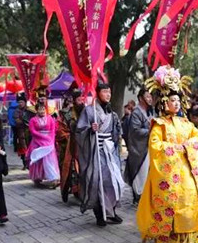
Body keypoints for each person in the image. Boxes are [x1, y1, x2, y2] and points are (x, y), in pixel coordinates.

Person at [137, 66, 198, 243]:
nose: (175, 104)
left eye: (177, 100)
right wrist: (176, 149)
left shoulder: (186, 123)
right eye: (172, 100)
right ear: (164, 102)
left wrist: (189, 146)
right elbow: (155, 146)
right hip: (171, 172)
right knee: (175, 201)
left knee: (191, 197)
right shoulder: (159, 124)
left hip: (187, 169)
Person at [76, 81, 125, 226]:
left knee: (114, 180)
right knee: (99, 182)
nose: (108, 94)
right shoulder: (89, 111)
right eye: (104, 92)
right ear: (98, 93)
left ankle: (112, 211)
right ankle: (99, 214)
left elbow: (116, 131)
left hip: (110, 151)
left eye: (109, 92)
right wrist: (90, 130)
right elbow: (79, 131)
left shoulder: (112, 112)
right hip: (96, 150)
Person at [126, 88, 154, 204]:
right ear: (140, 99)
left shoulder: (150, 111)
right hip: (139, 148)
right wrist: (150, 130)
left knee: (147, 172)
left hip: (148, 147)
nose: (150, 99)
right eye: (147, 96)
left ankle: (145, 195)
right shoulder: (137, 112)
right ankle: (138, 196)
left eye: (150, 96)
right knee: (140, 172)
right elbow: (135, 130)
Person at [56, 89, 84, 202]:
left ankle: (85, 191)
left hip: (85, 144)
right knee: (72, 169)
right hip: (72, 145)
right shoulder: (66, 113)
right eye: (79, 99)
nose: (81, 101)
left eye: (82, 99)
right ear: (74, 100)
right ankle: (75, 190)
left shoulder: (87, 111)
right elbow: (61, 130)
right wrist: (69, 136)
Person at [27, 103, 60, 187]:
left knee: (50, 160)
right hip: (37, 141)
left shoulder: (50, 118)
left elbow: (53, 130)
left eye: (43, 109)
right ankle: (38, 178)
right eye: (40, 109)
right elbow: (33, 131)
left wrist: (50, 140)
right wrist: (42, 138)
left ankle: (53, 177)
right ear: (36, 110)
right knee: (39, 160)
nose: (42, 111)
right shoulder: (33, 120)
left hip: (49, 141)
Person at [13, 93, 32, 170]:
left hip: (30, 131)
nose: (20, 103)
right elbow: (16, 119)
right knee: (23, 148)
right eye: (19, 102)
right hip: (21, 131)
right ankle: (25, 163)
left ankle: (31, 163)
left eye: (22, 102)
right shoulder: (16, 110)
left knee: (30, 146)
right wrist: (24, 121)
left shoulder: (29, 109)